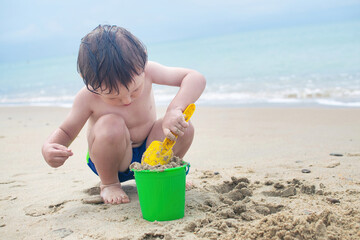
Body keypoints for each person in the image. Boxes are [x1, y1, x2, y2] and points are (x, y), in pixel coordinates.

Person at [41, 25, 206, 204]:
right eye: (112, 97)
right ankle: (109, 184)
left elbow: (194, 77)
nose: (127, 100)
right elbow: (66, 131)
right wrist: (50, 147)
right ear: (89, 81)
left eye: (135, 89)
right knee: (111, 124)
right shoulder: (87, 97)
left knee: (184, 128)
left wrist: (175, 110)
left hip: (151, 151)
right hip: (111, 159)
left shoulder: (148, 70)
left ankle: (161, 173)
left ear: (142, 61)